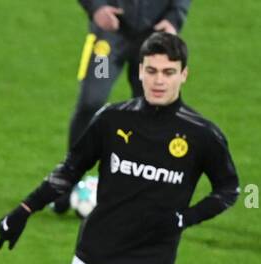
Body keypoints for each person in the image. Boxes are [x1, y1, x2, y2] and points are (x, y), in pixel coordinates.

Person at [0, 32, 237, 264]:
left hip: (145, 263)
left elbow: (228, 189)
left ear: (184, 75)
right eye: (152, 70)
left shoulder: (201, 135)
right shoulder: (112, 120)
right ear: (139, 72)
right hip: (94, 251)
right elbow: (71, 169)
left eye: (169, 72)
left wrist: (183, 219)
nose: (159, 80)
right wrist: (25, 209)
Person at [53, 1, 191, 213]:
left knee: (151, 112)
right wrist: (96, 7)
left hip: (153, 40)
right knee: (91, 101)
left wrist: (174, 18)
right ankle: (68, 180)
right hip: (110, 36)